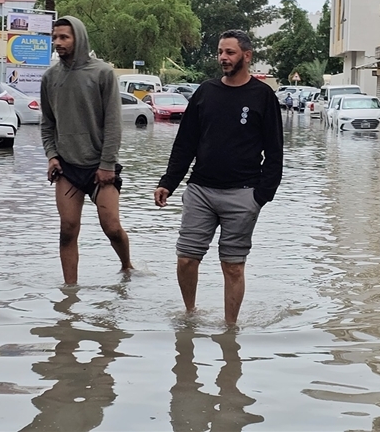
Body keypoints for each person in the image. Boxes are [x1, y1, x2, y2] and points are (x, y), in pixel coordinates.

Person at [154, 29, 283, 325]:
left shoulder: (263, 97)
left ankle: (230, 330)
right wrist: (168, 182)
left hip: (243, 194)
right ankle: (189, 316)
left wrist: (261, 196)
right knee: (186, 259)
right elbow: (185, 143)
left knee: (233, 267)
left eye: (230, 52)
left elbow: (275, 152)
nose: (223, 58)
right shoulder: (205, 92)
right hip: (200, 190)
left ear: (247, 56)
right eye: (220, 52)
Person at [40, 16, 132, 284]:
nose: (58, 43)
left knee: (112, 227)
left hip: (100, 166)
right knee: (67, 229)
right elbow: (47, 123)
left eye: (64, 37)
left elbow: (114, 124)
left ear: (78, 38)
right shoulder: (50, 77)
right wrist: (52, 156)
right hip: (67, 167)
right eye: (54, 37)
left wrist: (107, 165)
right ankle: (70, 291)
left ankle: (127, 267)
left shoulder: (102, 73)